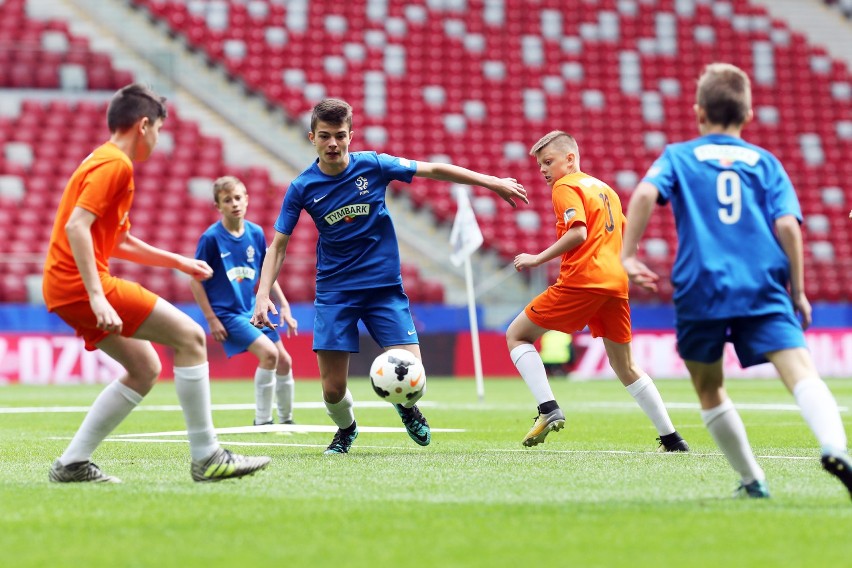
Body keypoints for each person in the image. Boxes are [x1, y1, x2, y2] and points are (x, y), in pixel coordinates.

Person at [622, 62, 852, 499]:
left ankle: (752, 480)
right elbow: (788, 227)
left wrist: (628, 255)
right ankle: (835, 446)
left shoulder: (679, 156)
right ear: (748, 116)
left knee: (709, 386)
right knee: (799, 369)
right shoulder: (765, 162)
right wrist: (798, 291)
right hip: (761, 282)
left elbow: (645, 194)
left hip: (700, 284)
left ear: (698, 112)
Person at [251, 98, 528, 454]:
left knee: (415, 375)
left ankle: (407, 406)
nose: (333, 143)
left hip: (383, 289)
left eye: (339, 135)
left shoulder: (374, 165)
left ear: (351, 135)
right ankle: (346, 429)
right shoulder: (303, 187)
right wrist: (262, 295)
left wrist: (489, 181)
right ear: (312, 138)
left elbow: (434, 170)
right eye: (325, 136)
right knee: (332, 390)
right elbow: (277, 246)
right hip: (336, 293)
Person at [43, 83, 270, 483]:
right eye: (160, 130)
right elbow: (78, 226)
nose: (158, 140)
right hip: (80, 283)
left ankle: (72, 463)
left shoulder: (102, 160)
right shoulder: (116, 164)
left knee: (145, 367)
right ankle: (208, 457)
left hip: (64, 285)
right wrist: (97, 296)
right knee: (190, 337)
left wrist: (180, 262)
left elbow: (120, 240)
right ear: (143, 125)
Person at [508, 130, 689, 452]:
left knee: (517, 334)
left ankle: (547, 408)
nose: (545, 171)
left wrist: (538, 258)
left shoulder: (566, 186)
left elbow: (577, 233)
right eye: (540, 166)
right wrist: (632, 266)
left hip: (583, 279)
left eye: (548, 162)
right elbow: (625, 230)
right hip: (615, 285)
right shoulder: (605, 189)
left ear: (570, 159)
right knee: (626, 366)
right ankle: (672, 438)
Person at [189, 176, 298, 426]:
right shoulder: (211, 239)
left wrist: (283, 305)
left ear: (246, 200)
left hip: (253, 310)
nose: (234, 204)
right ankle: (262, 420)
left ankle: (287, 421)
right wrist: (212, 319)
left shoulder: (256, 232)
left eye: (238, 198)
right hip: (228, 314)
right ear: (218, 206)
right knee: (270, 355)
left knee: (284, 361)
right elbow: (195, 281)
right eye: (227, 200)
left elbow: (266, 273)